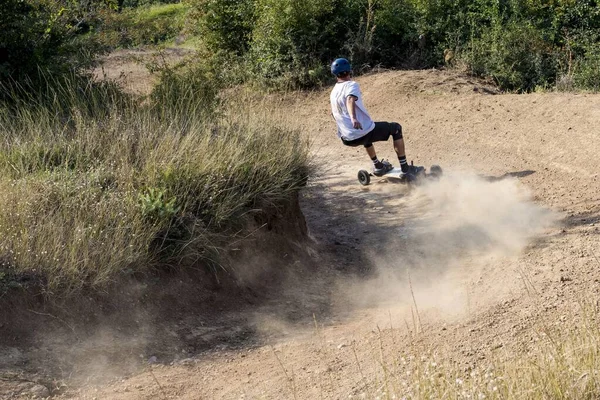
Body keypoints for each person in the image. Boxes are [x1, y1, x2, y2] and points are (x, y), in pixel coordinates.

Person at [329, 58, 420, 180]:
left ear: (335, 74)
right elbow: (350, 99)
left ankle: (378, 166)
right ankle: (405, 169)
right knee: (395, 128)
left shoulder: (333, 91)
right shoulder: (351, 85)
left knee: (366, 131)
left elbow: (334, 114)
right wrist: (353, 118)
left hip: (347, 138)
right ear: (349, 71)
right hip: (360, 132)